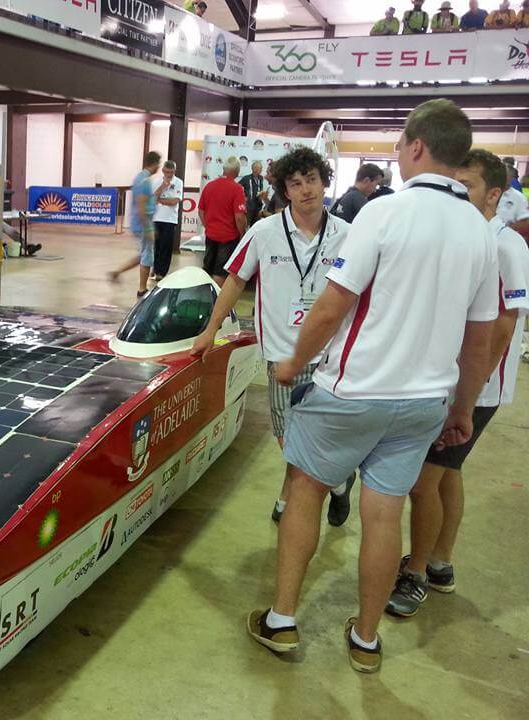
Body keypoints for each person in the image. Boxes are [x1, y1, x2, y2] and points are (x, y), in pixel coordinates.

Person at [246, 99, 497, 675]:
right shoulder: (480, 232)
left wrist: (292, 363)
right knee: (384, 515)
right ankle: (364, 638)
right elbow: (478, 341)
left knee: (305, 488)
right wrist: (461, 408)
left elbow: (334, 305)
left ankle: (282, 621)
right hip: (423, 404)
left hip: (352, 392)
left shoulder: (383, 215)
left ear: (415, 147)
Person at [386, 150, 529, 618]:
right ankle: (442, 562)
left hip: (473, 392)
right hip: (452, 385)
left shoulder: (506, 246)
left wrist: (467, 396)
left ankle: (416, 573)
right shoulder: (464, 236)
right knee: (448, 474)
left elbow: (503, 328)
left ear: (494, 194)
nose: (457, 193)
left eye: (467, 185)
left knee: (422, 484)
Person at [192, 147, 354, 526]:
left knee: (319, 435)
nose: (306, 190)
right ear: (286, 190)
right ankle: (337, 485)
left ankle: (294, 498)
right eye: (295, 184)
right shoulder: (264, 232)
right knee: (288, 439)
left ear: (324, 181)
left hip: (333, 355)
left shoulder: (348, 235)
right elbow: (235, 279)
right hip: (282, 354)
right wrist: (210, 329)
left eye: (311, 180)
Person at [109, 151, 161, 297]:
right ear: (155, 164)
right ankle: (142, 289)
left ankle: (117, 273)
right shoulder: (144, 181)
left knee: (142, 255)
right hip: (142, 224)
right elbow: (141, 206)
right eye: (159, 164)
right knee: (147, 256)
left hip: (139, 223)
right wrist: (148, 227)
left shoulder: (140, 178)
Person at [198, 156, 247, 287]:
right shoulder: (237, 189)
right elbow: (239, 217)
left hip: (211, 234)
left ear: (224, 169)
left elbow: (201, 211)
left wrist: (207, 225)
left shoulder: (209, 186)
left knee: (207, 267)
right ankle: (215, 302)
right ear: (237, 171)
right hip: (228, 236)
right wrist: (242, 234)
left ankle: (204, 296)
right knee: (220, 271)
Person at [151, 160, 184, 281]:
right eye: (167, 172)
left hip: (170, 219)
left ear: (174, 171)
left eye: (171, 172)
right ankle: (155, 268)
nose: (169, 174)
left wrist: (161, 200)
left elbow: (174, 201)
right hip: (157, 218)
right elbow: (153, 198)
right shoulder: (156, 181)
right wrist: (163, 186)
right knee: (157, 245)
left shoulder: (178, 182)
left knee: (166, 245)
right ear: (163, 171)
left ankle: (162, 272)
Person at [239, 161, 267, 226]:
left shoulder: (261, 178)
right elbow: (237, 187)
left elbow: (260, 188)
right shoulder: (246, 178)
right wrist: (243, 197)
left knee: (256, 226)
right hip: (249, 206)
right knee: (247, 225)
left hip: (258, 206)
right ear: (254, 169)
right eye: (260, 168)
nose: (261, 170)